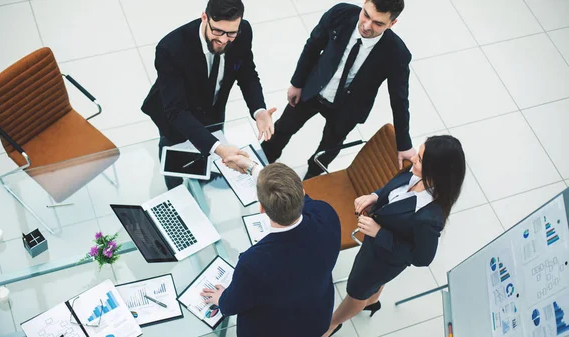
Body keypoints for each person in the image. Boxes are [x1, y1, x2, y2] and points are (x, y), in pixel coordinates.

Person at [323, 135, 466, 336]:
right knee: (369, 288)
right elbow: (393, 191)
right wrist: (374, 196)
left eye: (421, 159)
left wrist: (379, 232)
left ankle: (333, 323)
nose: (414, 158)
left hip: (384, 258)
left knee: (356, 292)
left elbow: (421, 258)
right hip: (376, 245)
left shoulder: (429, 217)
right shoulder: (415, 171)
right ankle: (372, 301)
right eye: (419, 152)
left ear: (436, 172)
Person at [261, 0, 415, 180]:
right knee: (283, 128)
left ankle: (313, 175)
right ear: (364, 3)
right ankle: (263, 160)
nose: (366, 26)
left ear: (392, 23)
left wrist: (404, 143)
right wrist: (297, 83)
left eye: (378, 23)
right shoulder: (340, 14)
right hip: (313, 90)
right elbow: (313, 46)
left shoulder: (397, 53)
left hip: (347, 109)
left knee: (328, 148)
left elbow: (399, 99)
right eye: (366, 14)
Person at [141, 0, 276, 189]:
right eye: (217, 31)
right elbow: (176, 111)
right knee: (173, 154)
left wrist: (259, 110)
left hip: (213, 110)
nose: (223, 40)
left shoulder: (243, 32)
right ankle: (175, 185)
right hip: (175, 114)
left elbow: (247, 73)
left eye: (230, 33)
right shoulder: (170, 48)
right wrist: (219, 149)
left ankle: (201, 177)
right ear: (204, 18)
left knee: (206, 147)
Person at [200, 162, 341, 337]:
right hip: (315, 319)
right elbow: (309, 201)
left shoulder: (253, 263)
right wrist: (253, 168)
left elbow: (231, 306)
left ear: (262, 209)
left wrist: (221, 299)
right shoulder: (326, 214)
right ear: (302, 194)